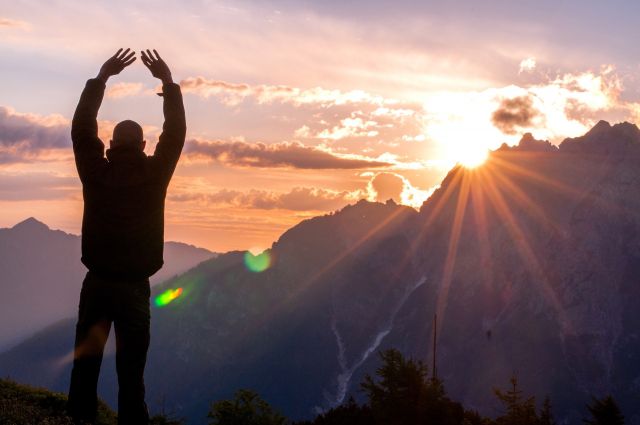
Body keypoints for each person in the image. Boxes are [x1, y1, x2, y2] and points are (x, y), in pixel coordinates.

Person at [67, 48, 186, 425]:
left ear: (112, 145)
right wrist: (167, 84)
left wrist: (101, 79)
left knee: (86, 366)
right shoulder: (155, 176)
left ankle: (80, 419)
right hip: (135, 290)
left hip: (97, 284)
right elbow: (176, 132)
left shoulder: (95, 173)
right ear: (144, 147)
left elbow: (82, 128)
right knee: (131, 374)